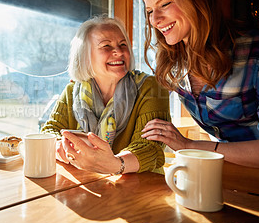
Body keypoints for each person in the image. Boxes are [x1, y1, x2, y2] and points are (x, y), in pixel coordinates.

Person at [137, 0, 259, 169]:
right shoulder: (173, 65)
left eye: (165, 4)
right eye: (149, 11)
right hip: (224, 175)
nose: (154, 20)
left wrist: (190, 146)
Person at [41, 15, 170, 175]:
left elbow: (151, 147)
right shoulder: (72, 91)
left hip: (142, 189)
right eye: (106, 46)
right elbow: (49, 131)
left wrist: (116, 164)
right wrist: (59, 145)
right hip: (88, 185)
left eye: (123, 44)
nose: (119, 51)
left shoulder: (150, 86)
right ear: (85, 56)